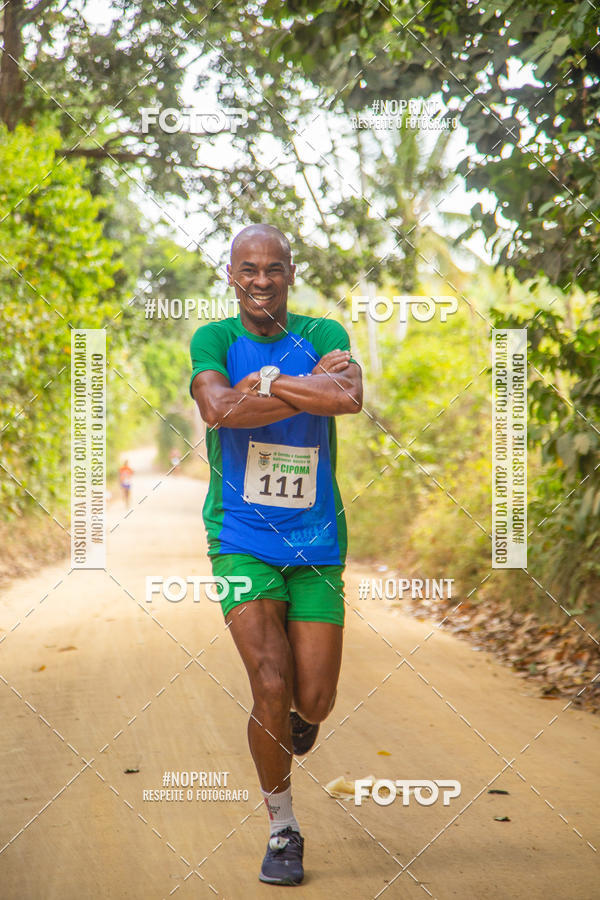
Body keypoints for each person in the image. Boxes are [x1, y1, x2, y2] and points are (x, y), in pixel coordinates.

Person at [189, 224, 362, 885]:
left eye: (274, 269)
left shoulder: (322, 332)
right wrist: (299, 386)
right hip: (240, 539)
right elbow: (218, 410)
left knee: (313, 700)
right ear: (231, 275)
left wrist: (262, 385)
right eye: (248, 269)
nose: (261, 280)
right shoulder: (213, 339)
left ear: (292, 273)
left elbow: (347, 397)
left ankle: (299, 715)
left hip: (316, 540)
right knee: (268, 681)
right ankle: (283, 828)